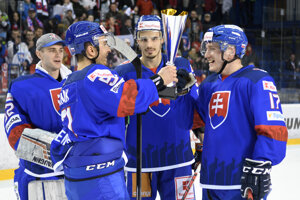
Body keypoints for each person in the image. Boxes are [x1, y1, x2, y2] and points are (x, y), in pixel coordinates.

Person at [50, 21, 181, 199]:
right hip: (100, 175)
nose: (109, 49)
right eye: (104, 44)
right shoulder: (96, 74)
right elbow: (127, 100)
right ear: (90, 49)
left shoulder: (67, 83)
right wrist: (159, 80)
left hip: (76, 175)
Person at [196, 24, 288, 200]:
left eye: (212, 49)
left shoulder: (257, 80)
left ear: (230, 51)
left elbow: (273, 129)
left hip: (242, 184)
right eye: (206, 49)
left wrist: (259, 167)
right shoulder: (208, 84)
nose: (206, 55)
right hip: (210, 182)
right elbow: (197, 120)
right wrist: (183, 91)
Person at [115, 15, 200, 200]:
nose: (149, 45)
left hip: (179, 160)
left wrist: (202, 141)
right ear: (137, 40)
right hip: (140, 163)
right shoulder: (124, 72)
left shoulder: (182, 65)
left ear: (162, 38)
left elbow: (195, 106)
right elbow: (118, 111)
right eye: (144, 39)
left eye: (154, 38)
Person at [4, 33, 71, 200]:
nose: (58, 54)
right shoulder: (21, 86)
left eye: (60, 50)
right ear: (39, 54)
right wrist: (57, 151)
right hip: (37, 177)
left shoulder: (74, 82)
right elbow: (15, 132)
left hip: (73, 174)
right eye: (51, 50)